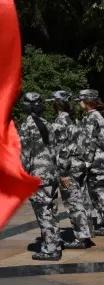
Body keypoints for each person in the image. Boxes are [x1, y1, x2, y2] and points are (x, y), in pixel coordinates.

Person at [18, 92, 62, 261]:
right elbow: (55, 149)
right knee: (51, 210)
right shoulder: (46, 123)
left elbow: (25, 154)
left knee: (43, 212)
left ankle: (50, 250)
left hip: (38, 175)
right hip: (51, 173)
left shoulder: (27, 125)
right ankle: (55, 243)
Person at [49, 91, 94, 249]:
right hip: (78, 165)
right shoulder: (72, 119)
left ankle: (82, 238)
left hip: (69, 168)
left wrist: (63, 173)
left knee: (73, 203)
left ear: (56, 104)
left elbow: (63, 149)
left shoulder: (60, 121)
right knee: (81, 200)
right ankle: (86, 234)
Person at [80, 89, 104, 235]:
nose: (80, 103)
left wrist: (86, 162)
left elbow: (90, 142)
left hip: (96, 161)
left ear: (88, 101)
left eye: (81, 100)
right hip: (100, 159)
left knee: (98, 193)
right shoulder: (98, 116)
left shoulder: (91, 117)